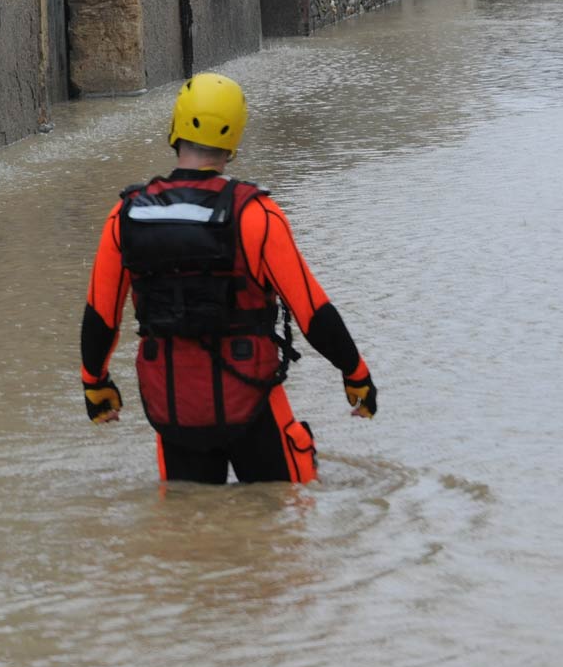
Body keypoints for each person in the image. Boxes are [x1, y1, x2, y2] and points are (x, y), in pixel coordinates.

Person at [76, 73, 377, 484]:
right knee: (282, 523)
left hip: (174, 403)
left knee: (191, 529)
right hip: (251, 397)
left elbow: (101, 315)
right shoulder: (257, 216)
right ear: (235, 139)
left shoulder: (126, 216)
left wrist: (95, 384)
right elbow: (312, 311)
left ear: (175, 128)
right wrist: (355, 373)